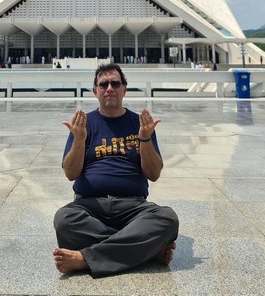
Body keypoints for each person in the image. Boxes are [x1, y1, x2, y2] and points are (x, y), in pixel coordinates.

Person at [52, 62, 179, 278]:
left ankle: (85, 259)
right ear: (95, 91)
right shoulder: (84, 125)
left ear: (124, 89)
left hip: (133, 207)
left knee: (167, 218)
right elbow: (71, 174)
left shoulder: (141, 124)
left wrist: (145, 139)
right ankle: (146, 250)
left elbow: (154, 174)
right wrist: (79, 140)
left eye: (115, 83)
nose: (109, 88)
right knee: (64, 219)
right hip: (89, 206)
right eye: (103, 84)